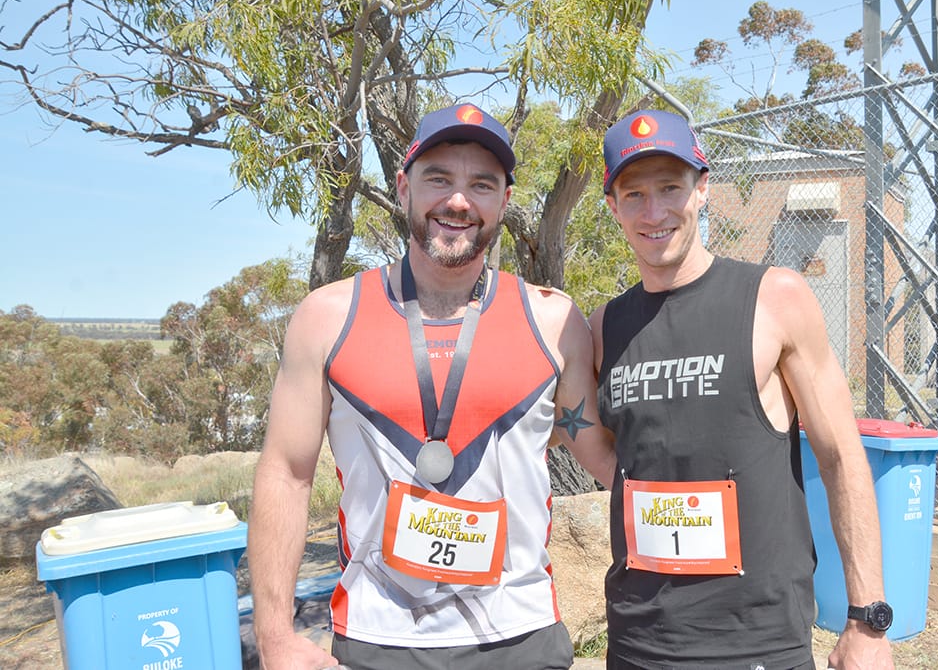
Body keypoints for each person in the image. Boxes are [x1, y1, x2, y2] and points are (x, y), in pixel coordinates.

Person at [248, 102, 616, 670]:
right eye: (438, 178)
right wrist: (275, 637)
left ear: (505, 202)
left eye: (481, 184)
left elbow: (605, 458)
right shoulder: (326, 317)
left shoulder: (554, 321)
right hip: (378, 639)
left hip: (520, 638)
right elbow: (285, 473)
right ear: (403, 188)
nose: (459, 200)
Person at [590, 109, 896, 670]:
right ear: (612, 207)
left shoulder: (775, 299)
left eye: (670, 188)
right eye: (634, 195)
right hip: (638, 640)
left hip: (755, 641)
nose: (654, 212)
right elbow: (605, 448)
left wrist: (867, 618)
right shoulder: (603, 327)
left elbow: (840, 455)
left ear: (702, 189)